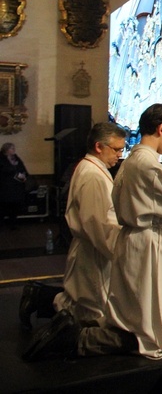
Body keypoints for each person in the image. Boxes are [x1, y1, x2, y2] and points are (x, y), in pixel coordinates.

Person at [23, 104, 162, 361]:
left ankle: (75, 334)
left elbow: (156, 197)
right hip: (147, 244)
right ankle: (76, 339)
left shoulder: (134, 162)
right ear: (161, 128)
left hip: (139, 240)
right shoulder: (145, 164)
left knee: (142, 317)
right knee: (148, 327)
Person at [18, 123, 127, 330]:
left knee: (79, 302)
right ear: (98, 146)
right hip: (94, 248)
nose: (119, 155)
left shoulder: (93, 168)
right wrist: (117, 250)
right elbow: (96, 222)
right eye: (116, 149)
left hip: (91, 247)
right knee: (89, 310)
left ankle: (37, 297)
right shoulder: (93, 175)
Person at [0, 142, 29, 228]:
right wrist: (13, 172)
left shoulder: (16, 158)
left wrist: (23, 175)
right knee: (4, 206)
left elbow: (22, 167)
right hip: (5, 186)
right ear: (6, 150)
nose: (14, 150)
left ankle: (13, 223)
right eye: (12, 148)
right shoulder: (1, 158)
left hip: (16, 186)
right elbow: (3, 170)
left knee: (15, 206)